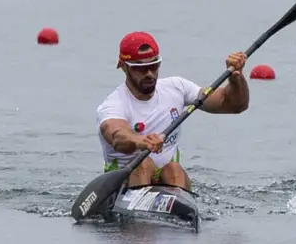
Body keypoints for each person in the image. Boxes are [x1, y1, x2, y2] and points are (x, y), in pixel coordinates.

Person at [97, 32, 249, 191]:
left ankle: (181, 209)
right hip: (127, 182)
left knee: (173, 169)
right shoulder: (114, 104)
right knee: (143, 164)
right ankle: (140, 210)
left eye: (154, 65)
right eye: (141, 68)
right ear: (124, 67)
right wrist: (139, 141)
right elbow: (116, 135)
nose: (149, 73)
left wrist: (236, 78)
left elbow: (233, 104)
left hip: (167, 180)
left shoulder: (177, 88)